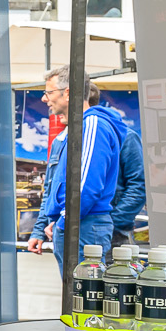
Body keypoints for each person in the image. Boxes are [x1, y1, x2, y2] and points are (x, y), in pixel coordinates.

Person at [26, 70, 126, 258]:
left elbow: (87, 185)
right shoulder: (75, 131)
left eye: (49, 92)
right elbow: (54, 185)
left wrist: (64, 221)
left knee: (80, 287)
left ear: (68, 92)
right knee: (73, 287)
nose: (44, 99)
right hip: (75, 225)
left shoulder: (92, 124)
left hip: (82, 227)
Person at [110, 118, 146, 247]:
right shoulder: (68, 138)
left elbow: (139, 187)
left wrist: (111, 223)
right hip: (76, 233)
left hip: (113, 236)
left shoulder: (126, 137)